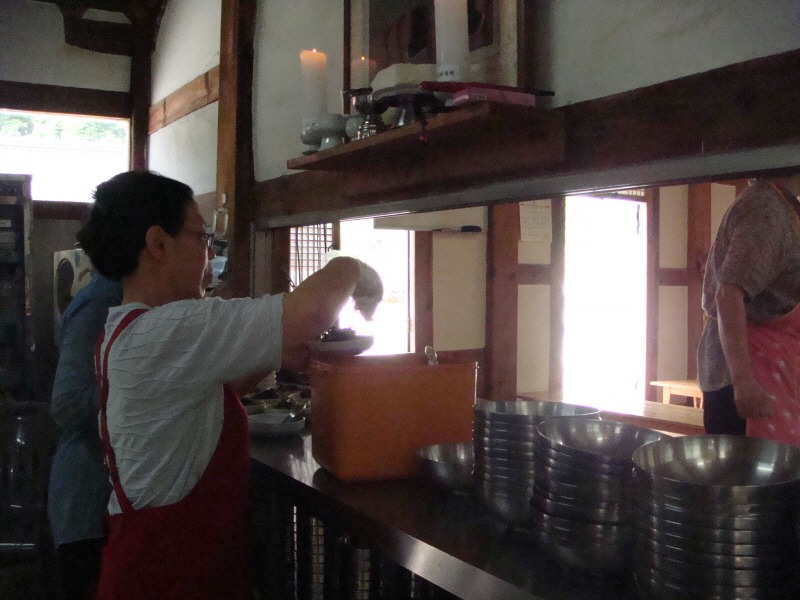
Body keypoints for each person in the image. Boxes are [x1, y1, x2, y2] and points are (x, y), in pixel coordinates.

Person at [76, 170, 382, 600]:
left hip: (158, 570)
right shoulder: (170, 327)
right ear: (158, 244)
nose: (209, 253)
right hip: (167, 580)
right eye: (202, 238)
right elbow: (312, 313)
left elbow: (194, 405)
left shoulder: (129, 329)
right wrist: (354, 269)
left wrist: (275, 354)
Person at [697, 178, 800, 444]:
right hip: (750, 372)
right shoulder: (766, 208)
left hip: (775, 364)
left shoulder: (782, 206)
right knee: (752, 468)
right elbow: (728, 294)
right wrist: (744, 383)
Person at [48, 270, 123, 600]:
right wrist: (141, 385)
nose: (209, 255)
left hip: (106, 502)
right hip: (89, 498)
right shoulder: (102, 302)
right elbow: (67, 404)